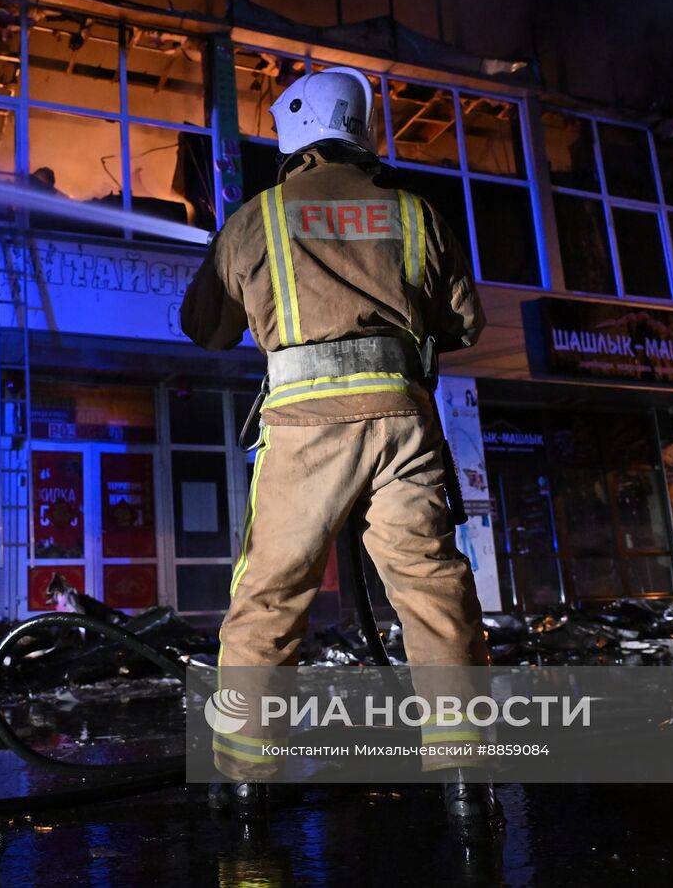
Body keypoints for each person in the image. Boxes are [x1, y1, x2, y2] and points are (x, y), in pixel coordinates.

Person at [180, 66, 500, 836]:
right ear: (362, 129)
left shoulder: (256, 218)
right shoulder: (417, 214)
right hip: (403, 423)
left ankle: (248, 784)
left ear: (292, 138)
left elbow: (205, 326)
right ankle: (466, 779)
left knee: (272, 594)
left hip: (302, 429)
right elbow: (464, 324)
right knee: (432, 587)